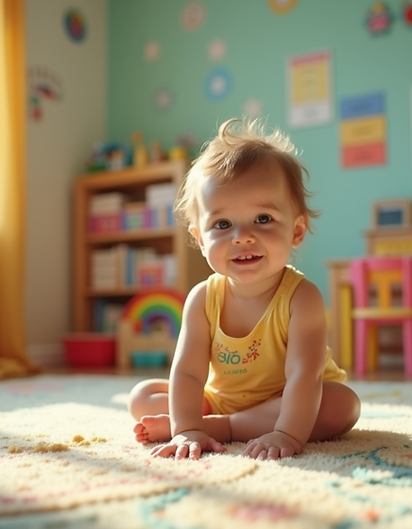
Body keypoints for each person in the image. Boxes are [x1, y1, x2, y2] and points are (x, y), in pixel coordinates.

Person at [127, 117, 361, 461]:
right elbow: (189, 373)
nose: (242, 236)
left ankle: (222, 427)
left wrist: (286, 433)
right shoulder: (202, 299)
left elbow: (303, 377)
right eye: (222, 224)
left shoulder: (302, 298)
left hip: (289, 401)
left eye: (263, 219)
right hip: (222, 398)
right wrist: (186, 429)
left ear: (296, 231)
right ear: (200, 240)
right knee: (141, 396)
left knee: (343, 406)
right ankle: (209, 421)